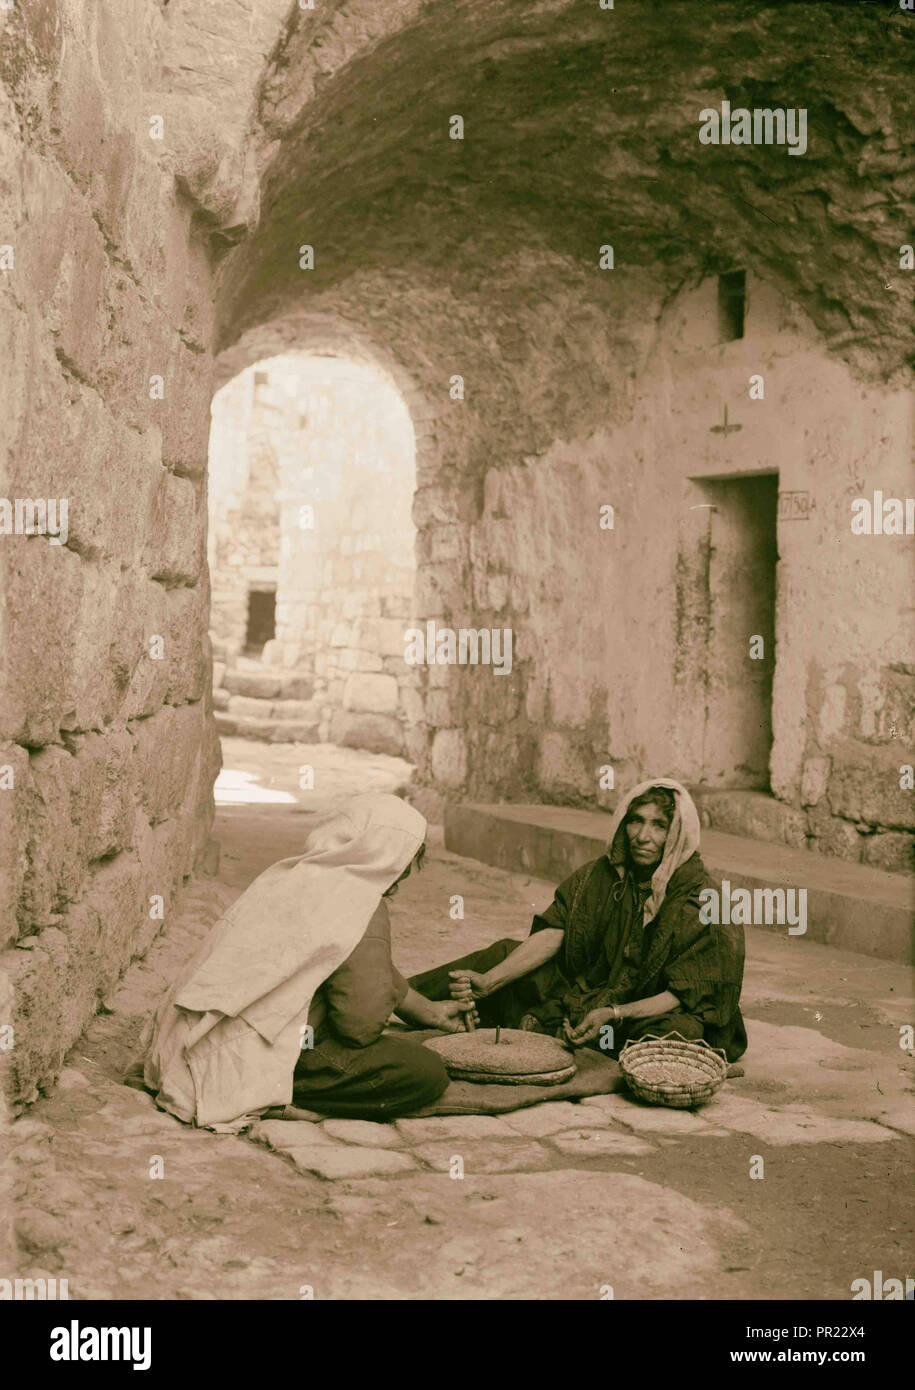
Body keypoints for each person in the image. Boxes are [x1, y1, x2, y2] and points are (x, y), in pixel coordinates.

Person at [143, 793, 471, 1132]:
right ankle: (278, 1097)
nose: (405, 873)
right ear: (388, 855)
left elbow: (341, 959)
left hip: (195, 1042)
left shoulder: (288, 876)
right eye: (407, 860)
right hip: (258, 1057)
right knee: (425, 1071)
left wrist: (430, 1012)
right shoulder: (361, 906)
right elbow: (357, 1029)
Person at [408, 778, 747, 1062]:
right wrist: (490, 981)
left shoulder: (705, 900)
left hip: (647, 1008)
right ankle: (403, 1000)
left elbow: (684, 995)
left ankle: (557, 1030)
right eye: (636, 820)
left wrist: (614, 1014)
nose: (643, 836)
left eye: (659, 825)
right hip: (592, 990)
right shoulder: (606, 873)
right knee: (503, 955)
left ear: (678, 834)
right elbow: (559, 928)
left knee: (674, 1035)